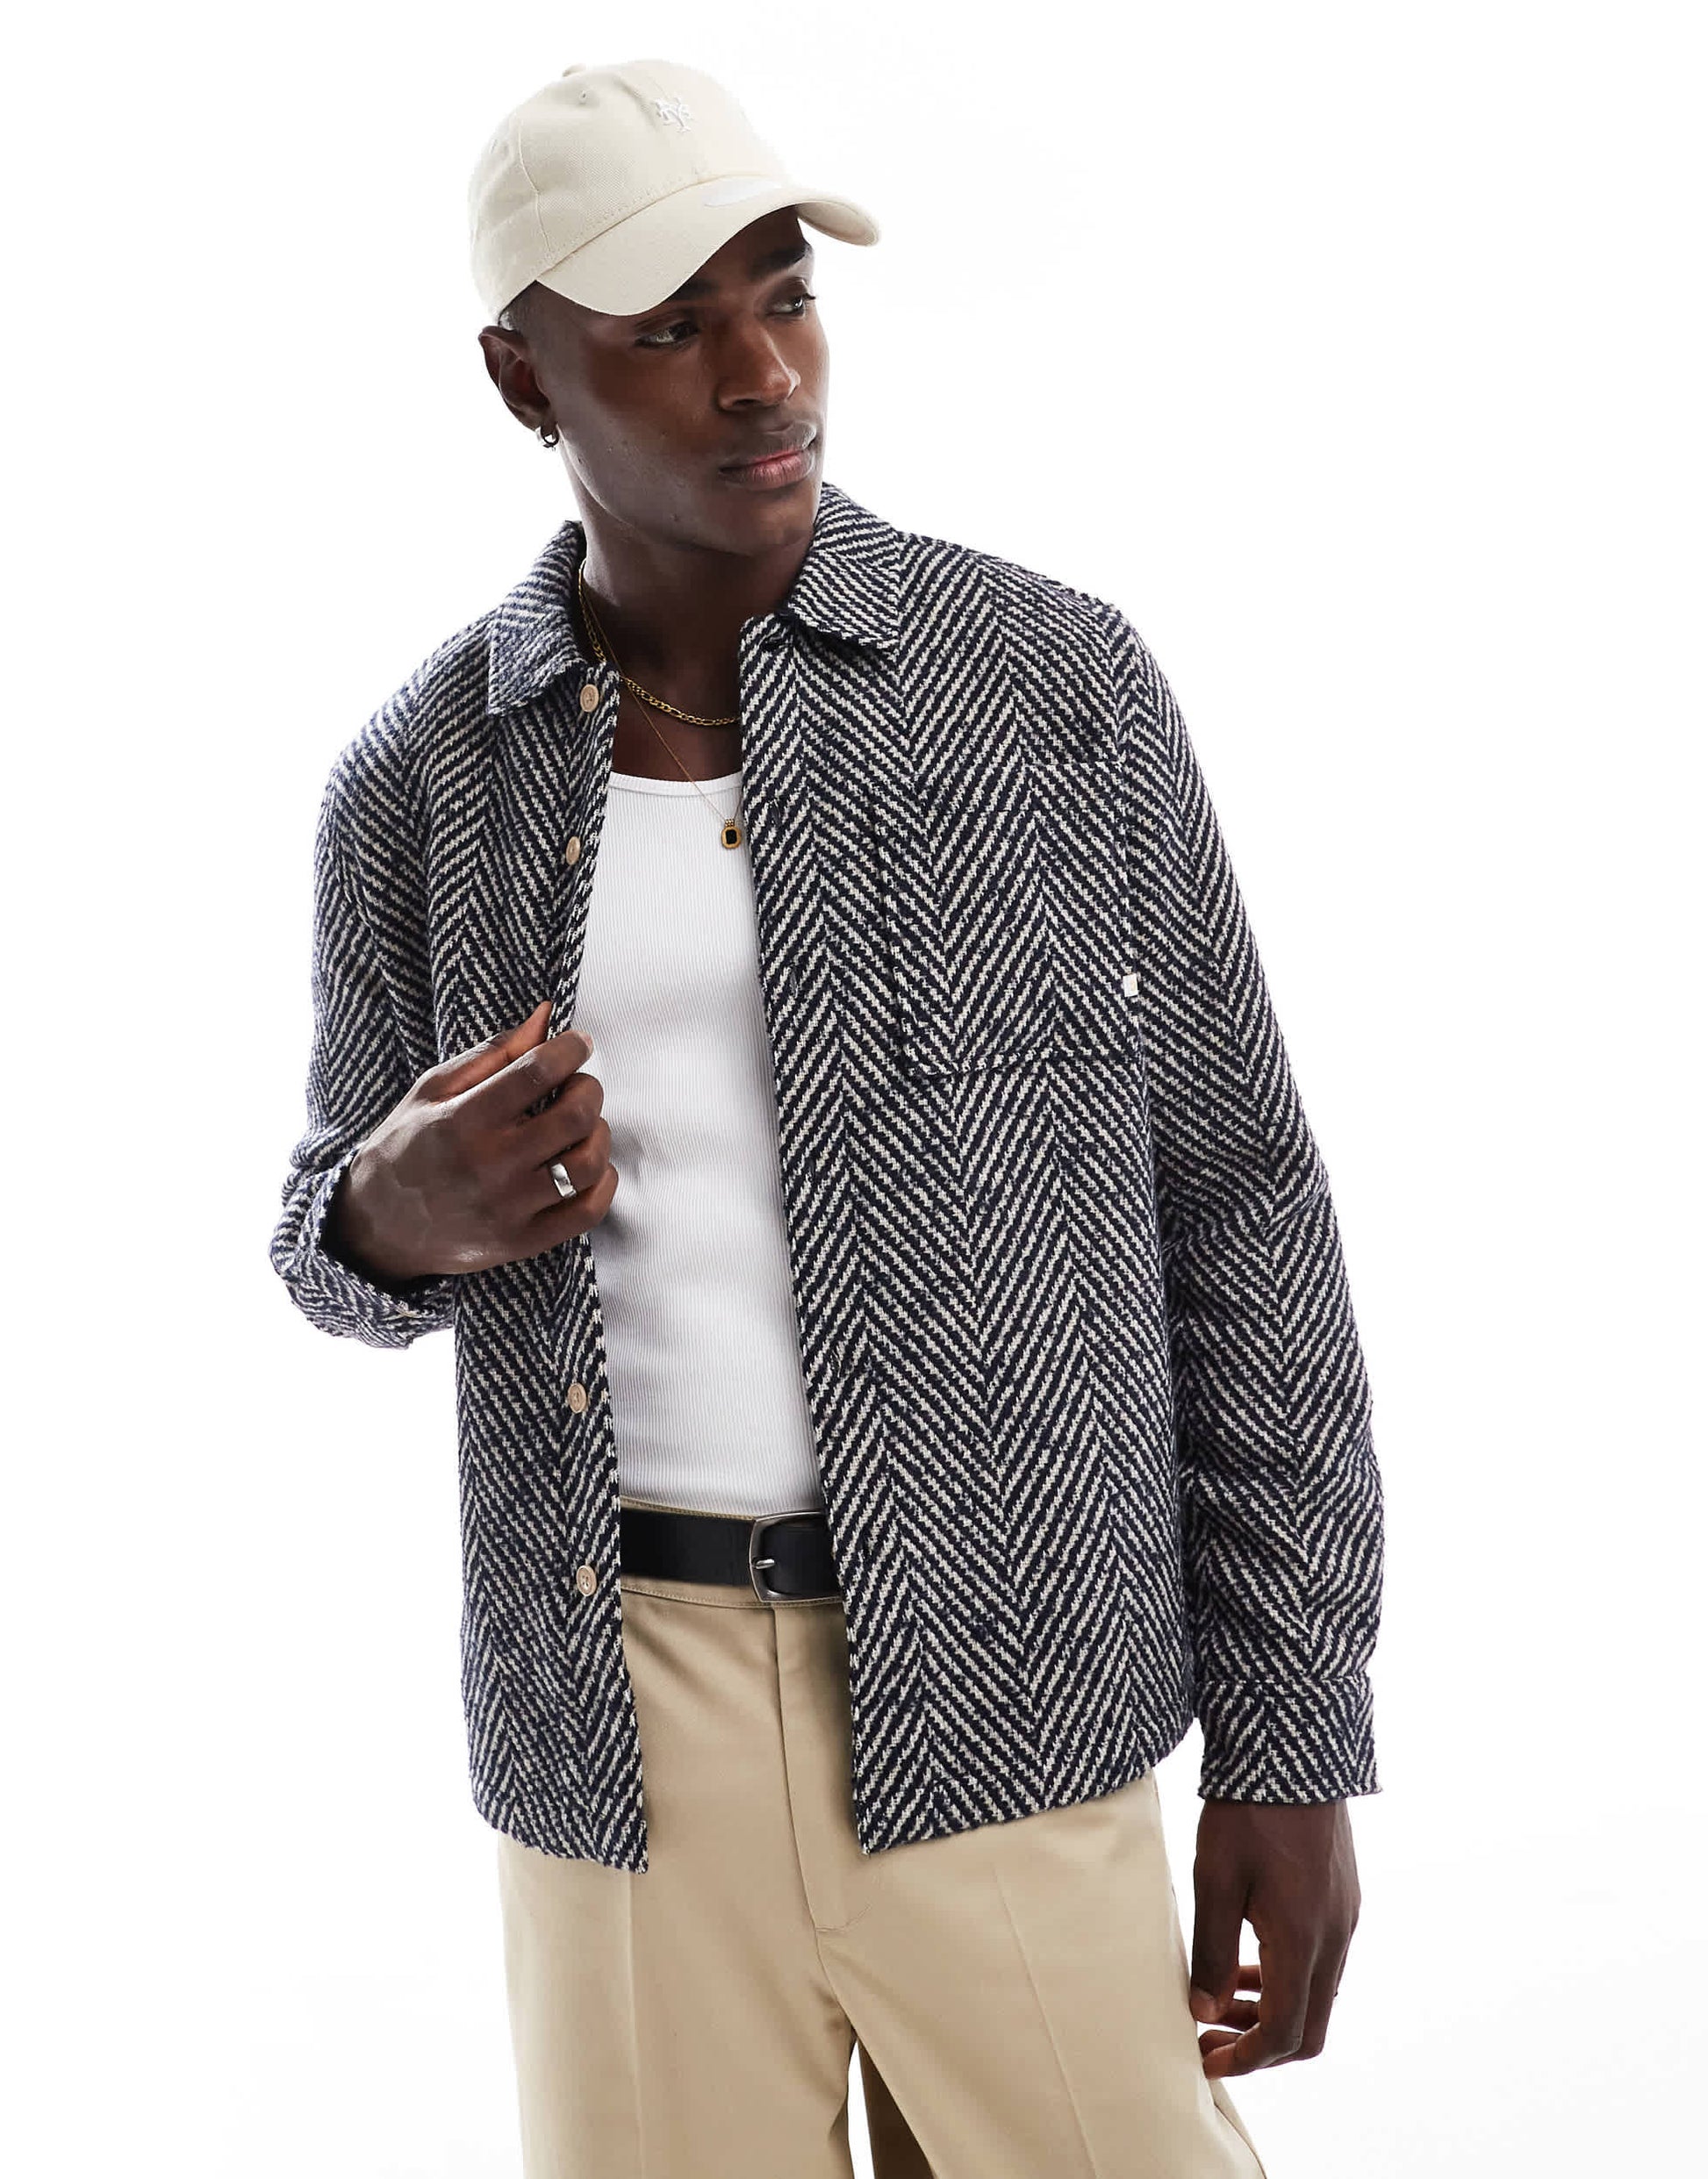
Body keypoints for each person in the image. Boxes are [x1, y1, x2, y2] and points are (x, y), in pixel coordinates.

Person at [269, 53, 1384, 2179]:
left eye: (782, 298)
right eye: (667, 328)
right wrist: (388, 1216)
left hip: (1015, 1686)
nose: (760, 374)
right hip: (613, 1731)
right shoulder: (421, 778)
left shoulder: (1048, 687)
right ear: (521, 377)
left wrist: (1292, 1736)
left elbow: (1240, 1207)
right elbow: (334, 1239)